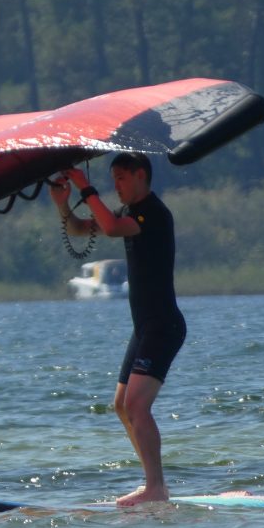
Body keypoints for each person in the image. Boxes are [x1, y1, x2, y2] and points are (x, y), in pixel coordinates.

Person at [49, 152, 187, 506]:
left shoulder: (153, 214)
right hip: (144, 328)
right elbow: (83, 228)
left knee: (137, 405)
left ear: (140, 175)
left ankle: (156, 488)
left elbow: (110, 227)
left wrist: (85, 185)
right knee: (121, 406)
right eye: (113, 181)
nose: (116, 187)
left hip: (163, 325)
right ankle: (152, 484)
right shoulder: (127, 214)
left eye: (121, 179)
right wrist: (64, 205)